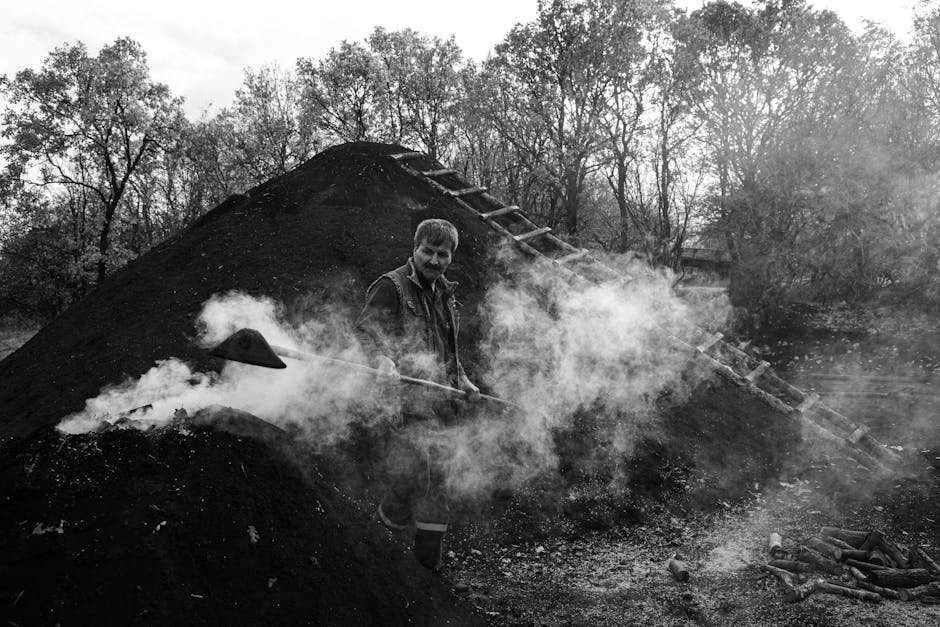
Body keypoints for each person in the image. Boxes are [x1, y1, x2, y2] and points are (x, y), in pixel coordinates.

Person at [354, 218, 480, 570]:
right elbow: (364, 335)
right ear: (415, 249)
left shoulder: (445, 293)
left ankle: (427, 573)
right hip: (405, 406)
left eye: (443, 254)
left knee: (440, 485)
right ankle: (376, 556)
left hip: (444, 407)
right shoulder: (391, 287)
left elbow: (448, 352)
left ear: (451, 257)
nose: (435, 260)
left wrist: (464, 381)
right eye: (429, 251)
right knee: (413, 479)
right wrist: (380, 359)